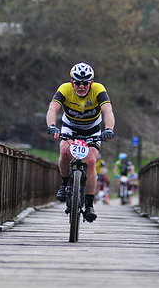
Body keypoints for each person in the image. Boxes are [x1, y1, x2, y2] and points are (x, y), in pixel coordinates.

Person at [46, 62, 115, 222]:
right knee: (64, 151)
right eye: (77, 82)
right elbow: (52, 108)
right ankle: (64, 184)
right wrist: (51, 126)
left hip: (92, 130)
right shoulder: (65, 89)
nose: (81, 86)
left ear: (91, 82)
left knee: (91, 161)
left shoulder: (99, 89)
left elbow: (108, 111)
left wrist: (109, 129)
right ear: (72, 82)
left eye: (85, 83)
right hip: (70, 128)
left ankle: (90, 204)